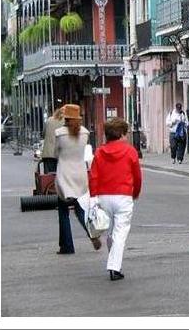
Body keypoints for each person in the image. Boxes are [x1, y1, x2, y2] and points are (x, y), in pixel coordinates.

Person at [89, 117, 142, 281]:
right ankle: (114, 267)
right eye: (125, 133)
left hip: (104, 196)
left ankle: (114, 261)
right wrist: (136, 192)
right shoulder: (130, 151)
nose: (126, 137)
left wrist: (93, 196)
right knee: (121, 232)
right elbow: (137, 176)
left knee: (111, 232)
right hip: (123, 195)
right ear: (121, 134)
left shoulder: (99, 152)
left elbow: (93, 176)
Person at [54, 104, 101, 255]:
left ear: (66, 118)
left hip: (65, 174)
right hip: (80, 174)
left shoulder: (59, 133)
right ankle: (92, 234)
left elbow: (56, 153)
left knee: (63, 210)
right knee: (80, 209)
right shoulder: (85, 133)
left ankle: (67, 245)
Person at [41, 106, 65, 173]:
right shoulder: (66, 122)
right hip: (61, 153)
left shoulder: (49, 120)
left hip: (48, 153)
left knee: (49, 176)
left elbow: (43, 134)